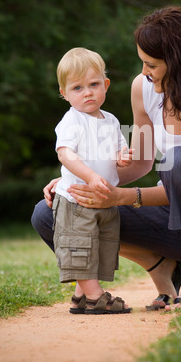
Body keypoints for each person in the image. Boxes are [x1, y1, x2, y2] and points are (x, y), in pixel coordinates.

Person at [32, 6, 181, 309]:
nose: (144, 72)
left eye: (151, 64)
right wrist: (80, 178)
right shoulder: (145, 89)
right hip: (173, 221)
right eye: (142, 63)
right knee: (52, 212)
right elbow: (141, 162)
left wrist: (121, 197)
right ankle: (160, 264)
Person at [51, 47, 133, 314]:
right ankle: (97, 298)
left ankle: (80, 297)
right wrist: (91, 175)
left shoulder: (111, 120)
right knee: (79, 246)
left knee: (96, 247)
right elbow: (65, 154)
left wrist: (122, 157)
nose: (87, 92)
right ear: (64, 93)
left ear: (105, 85)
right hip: (77, 199)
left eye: (94, 84)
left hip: (104, 199)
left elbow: (118, 149)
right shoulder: (71, 121)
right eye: (77, 88)